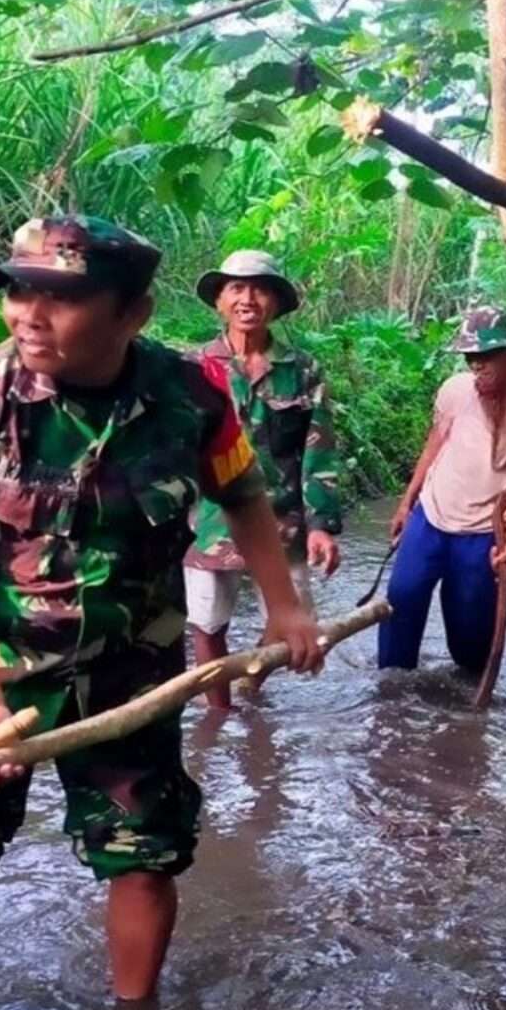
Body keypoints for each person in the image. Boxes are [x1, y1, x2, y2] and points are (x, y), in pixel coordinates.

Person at [0, 215, 323, 1010]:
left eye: (63, 297)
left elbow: (245, 495)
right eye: (18, 291)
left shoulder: (191, 396)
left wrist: (287, 607)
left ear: (134, 314)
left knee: (144, 857)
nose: (28, 313)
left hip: (130, 673)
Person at [183, 249, 343, 714]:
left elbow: (319, 450)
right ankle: (219, 713)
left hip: (283, 519)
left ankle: (251, 683)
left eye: (259, 289)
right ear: (219, 301)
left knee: (297, 620)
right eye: (236, 288)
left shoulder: (303, 370)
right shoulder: (195, 368)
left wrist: (320, 525)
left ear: (275, 302)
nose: (247, 299)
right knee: (207, 623)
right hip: (210, 521)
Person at [376, 306, 506, 675]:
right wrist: (406, 504)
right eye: (471, 358)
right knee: (401, 601)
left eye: (486, 357)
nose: (477, 366)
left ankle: (468, 711)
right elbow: (434, 444)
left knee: (471, 639)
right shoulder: (455, 391)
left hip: (480, 534)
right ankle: (390, 696)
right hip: (430, 518)